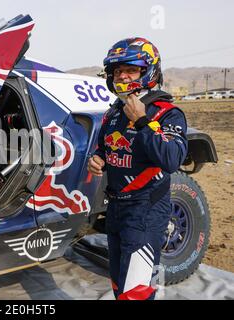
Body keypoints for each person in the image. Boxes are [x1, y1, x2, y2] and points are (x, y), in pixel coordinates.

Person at [87, 37, 188, 300]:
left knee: (136, 293)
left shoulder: (166, 112)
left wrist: (142, 121)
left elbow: (172, 159)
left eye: (130, 70)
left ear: (148, 71)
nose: (122, 76)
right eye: (117, 71)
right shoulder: (113, 113)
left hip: (146, 209)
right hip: (117, 209)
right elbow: (106, 148)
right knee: (120, 286)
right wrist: (99, 159)